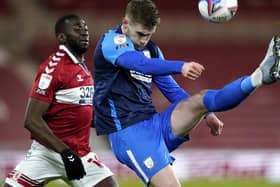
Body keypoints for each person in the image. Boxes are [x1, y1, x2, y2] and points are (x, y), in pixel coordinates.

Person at [93, 0, 280, 186]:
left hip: (155, 124)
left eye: (148, 36)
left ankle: (257, 77)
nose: (143, 41)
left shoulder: (151, 49)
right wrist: (180, 66)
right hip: (129, 133)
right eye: (140, 34)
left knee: (201, 100)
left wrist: (207, 114)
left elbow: (171, 89)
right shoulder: (111, 41)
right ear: (125, 24)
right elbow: (137, 63)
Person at [2, 14, 118, 187]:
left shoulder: (81, 67)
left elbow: (80, 111)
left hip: (80, 153)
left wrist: (110, 121)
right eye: (77, 29)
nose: (84, 32)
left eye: (85, 29)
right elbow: (31, 120)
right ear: (62, 37)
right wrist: (65, 153)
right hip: (46, 154)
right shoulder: (54, 68)